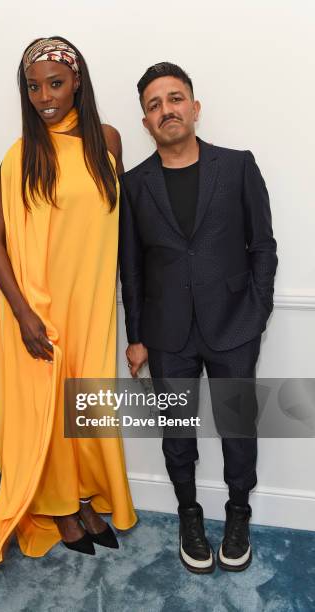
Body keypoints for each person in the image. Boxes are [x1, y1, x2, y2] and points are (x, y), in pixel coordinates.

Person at [0, 37, 137, 569]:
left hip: (92, 303)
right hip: (42, 309)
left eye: (55, 83)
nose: (44, 97)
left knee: (87, 402)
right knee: (53, 403)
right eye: (33, 87)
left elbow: (118, 228)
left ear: (77, 82)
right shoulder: (21, 155)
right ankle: (60, 507)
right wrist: (23, 314)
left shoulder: (107, 141)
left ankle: (84, 496)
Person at [119, 62, 277, 573]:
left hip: (235, 325)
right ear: (146, 121)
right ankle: (189, 514)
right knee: (176, 432)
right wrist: (137, 336)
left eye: (175, 98)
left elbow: (263, 246)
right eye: (154, 104)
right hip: (167, 336)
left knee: (237, 427)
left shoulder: (237, 167)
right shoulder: (135, 185)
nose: (167, 109)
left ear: (194, 106)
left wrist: (259, 309)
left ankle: (237, 514)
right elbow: (132, 268)